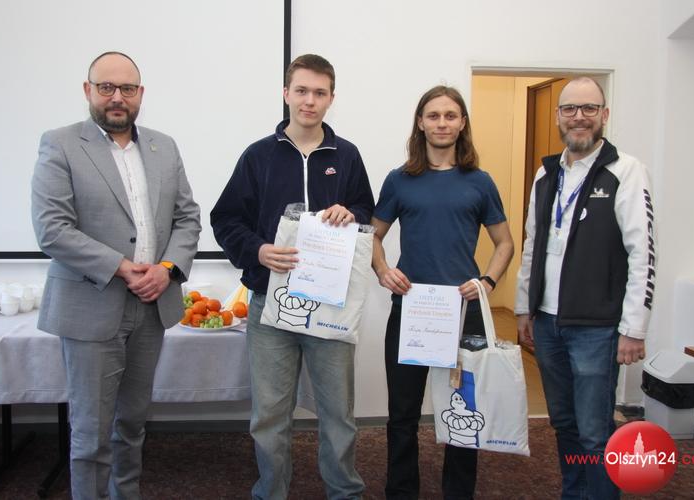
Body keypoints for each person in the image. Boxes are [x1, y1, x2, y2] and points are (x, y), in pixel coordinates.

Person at [31, 51, 201, 499]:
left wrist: (167, 270)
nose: (117, 97)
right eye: (106, 87)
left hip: (151, 307)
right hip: (91, 306)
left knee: (132, 424)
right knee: (91, 433)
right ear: (88, 90)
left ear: (140, 93)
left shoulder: (164, 147)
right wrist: (122, 267)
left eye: (127, 88)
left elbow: (187, 219)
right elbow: (52, 229)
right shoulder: (60, 144)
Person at [210, 54, 374, 499]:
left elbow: (367, 211)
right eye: (301, 90)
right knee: (270, 416)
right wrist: (259, 251)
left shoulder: (347, 155)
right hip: (271, 305)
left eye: (319, 93)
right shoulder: (258, 156)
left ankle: (345, 493)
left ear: (331, 98)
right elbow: (225, 219)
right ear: (286, 94)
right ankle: (271, 492)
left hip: (333, 305)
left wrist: (352, 214)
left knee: (338, 413)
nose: (309, 101)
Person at [515, 77, 656, 499]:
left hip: (597, 327)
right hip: (548, 322)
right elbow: (532, 244)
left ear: (604, 115)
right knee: (564, 424)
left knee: (595, 432)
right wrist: (524, 307)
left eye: (589, 108)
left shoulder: (625, 171)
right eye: (570, 109)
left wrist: (634, 328)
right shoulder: (546, 173)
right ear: (558, 117)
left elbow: (643, 253)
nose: (579, 117)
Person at [371, 85, 514, 499]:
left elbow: (505, 243)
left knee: (461, 410)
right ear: (420, 122)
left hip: (463, 313)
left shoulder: (479, 182)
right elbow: (372, 236)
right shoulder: (400, 180)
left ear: (462, 123)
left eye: (451, 116)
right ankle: (401, 492)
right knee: (402, 415)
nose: (442, 123)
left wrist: (487, 282)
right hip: (411, 310)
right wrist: (384, 271)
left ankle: (459, 492)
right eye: (433, 116)